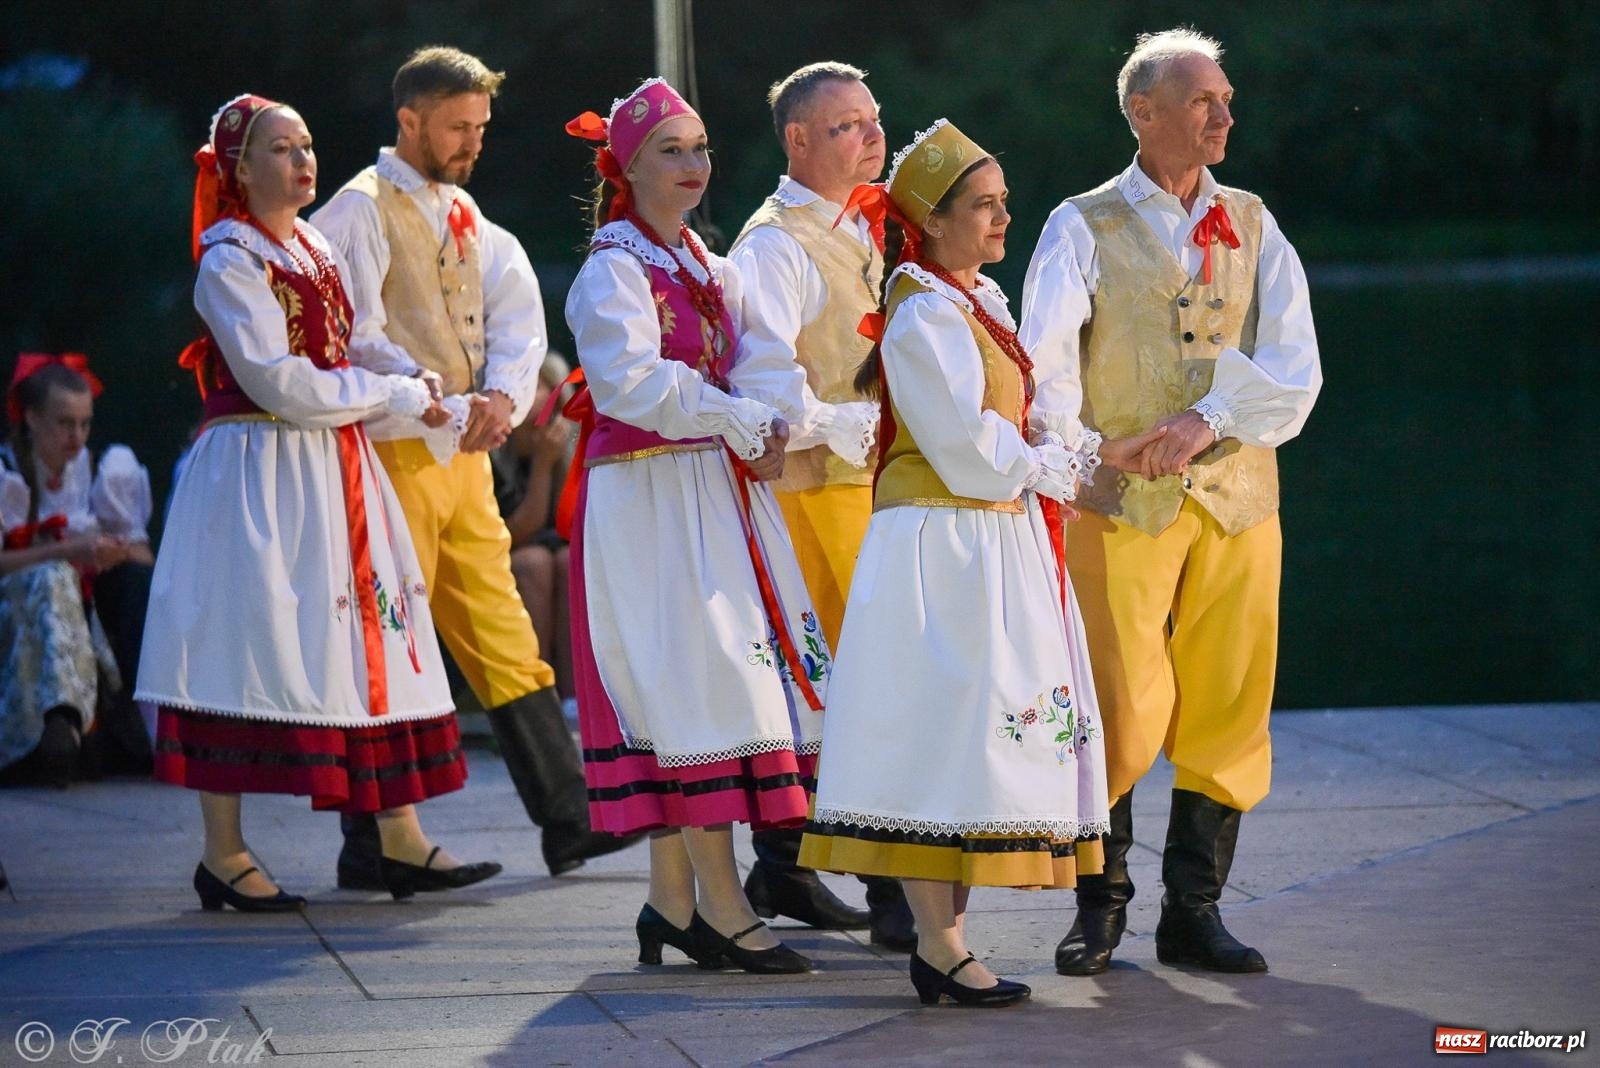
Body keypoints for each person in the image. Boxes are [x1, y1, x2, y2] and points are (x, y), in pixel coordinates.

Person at [136, 93, 499, 911]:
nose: (302, 161)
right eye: (279, 149)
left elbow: (349, 333)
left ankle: (398, 837)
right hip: (259, 470)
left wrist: (411, 376)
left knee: (362, 634)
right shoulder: (229, 255)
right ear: (237, 165)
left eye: (306, 145)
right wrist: (391, 393)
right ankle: (222, 852)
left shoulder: (311, 244)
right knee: (245, 637)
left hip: (333, 462)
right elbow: (278, 378)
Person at [1019, 28, 1323, 976]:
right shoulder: (1082, 223)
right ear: (1144, 113)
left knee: (1232, 699)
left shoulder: (1256, 221)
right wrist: (1079, 452)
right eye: (1203, 101)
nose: (1225, 115)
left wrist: (1208, 421)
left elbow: (1295, 366)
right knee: (1117, 703)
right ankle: (1099, 906)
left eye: (1226, 99)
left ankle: (1193, 910)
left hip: (1237, 498)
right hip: (1121, 502)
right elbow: (1045, 363)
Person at [798, 119, 1116, 1007]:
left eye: (1004, 201)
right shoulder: (922, 310)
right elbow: (961, 441)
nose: (1002, 217)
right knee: (943, 729)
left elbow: (1014, 420)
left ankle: (945, 944)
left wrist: (1056, 441)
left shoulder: (976, 299)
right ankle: (938, 944)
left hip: (991, 536)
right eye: (985, 205)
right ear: (933, 222)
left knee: (975, 735)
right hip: (943, 543)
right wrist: (1049, 467)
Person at [312, 46, 637, 883]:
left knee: (500, 631)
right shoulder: (356, 210)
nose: (472, 143)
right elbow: (352, 335)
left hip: (459, 459)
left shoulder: (468, 217)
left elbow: (518, 314)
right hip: (389, 454)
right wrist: (458, 403)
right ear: (410, 119)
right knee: (386, 637)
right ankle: (373, 840)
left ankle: (569, 819)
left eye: (480, 127)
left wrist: (503, 394)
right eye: (458, 127)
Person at [563, 77, 825, 975]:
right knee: (696, 688)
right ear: (628, 165)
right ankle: (720, 907)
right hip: (649, 496)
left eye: (702, 148)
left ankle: (671, 903)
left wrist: (769, 415)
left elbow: (763, 355)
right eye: (671, 150)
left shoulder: (709, 267)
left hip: (711, 490)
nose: (693, 166)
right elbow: (629, 384)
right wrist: (733, 418)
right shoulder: (613, 268)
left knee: (706, 686)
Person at [726, 62, 914, 951]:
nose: (872, 137)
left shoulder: (875, 226)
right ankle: (884, 892)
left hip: (878, 491)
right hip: (815, 491)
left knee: (874, 680)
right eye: (847, 125)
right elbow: (771, 393)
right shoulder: (774, 244)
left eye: (874, 120)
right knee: (846, 685)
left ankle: (788, 863)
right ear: (798, 140)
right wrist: (869, 427)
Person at [1, 355, 154, 786]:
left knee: (138, 585)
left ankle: (146, 728)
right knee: (52, 578)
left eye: (85, 423)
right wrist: (69, 551)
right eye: (65, 423)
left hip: (87, 613)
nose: (77, 436)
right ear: (31, 417)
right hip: (18, 618)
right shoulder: (6, 474)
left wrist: (113, 553)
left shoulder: (103, 467)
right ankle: (56, 725)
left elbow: (142, 558)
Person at [493, 352, 577, 708]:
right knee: (532, 562)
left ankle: (576, 700)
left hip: (559, 551)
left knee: (571, 561)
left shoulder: (573, 444)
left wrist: (557, 462)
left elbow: (574, 528)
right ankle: (537, 702)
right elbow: (514, 536)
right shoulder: (494, 452)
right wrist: (542, 466)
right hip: (509, 555)